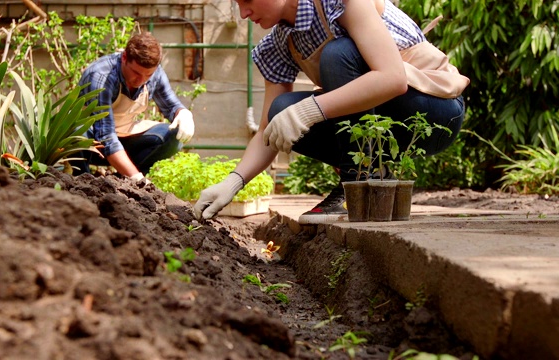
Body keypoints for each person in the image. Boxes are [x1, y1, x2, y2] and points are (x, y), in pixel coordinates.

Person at [194, 0, 469, 224]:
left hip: (435, 109)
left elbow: (393, 78)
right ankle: (363, 183)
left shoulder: (341, 3)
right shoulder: (277, 45)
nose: (243, 14)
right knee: (281, 110)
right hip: (386, 127)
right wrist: (233, 182)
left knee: (339, 53)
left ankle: (357, 183)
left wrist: (312, 109)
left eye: (248, 1)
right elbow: (267, 129)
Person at [73, 32, 194, 183]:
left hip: (124, 135)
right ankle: (83, 184)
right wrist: (135, 176)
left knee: (173, 136)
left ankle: (127, 183)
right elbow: (105, 137)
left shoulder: (155, 74)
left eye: (147, 75)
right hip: (92, 144)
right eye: (136, 72)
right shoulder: (101, 76)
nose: (141, 80)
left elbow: (171, 105)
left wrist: (182, 113)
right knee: (76, 133)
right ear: (124, 57)